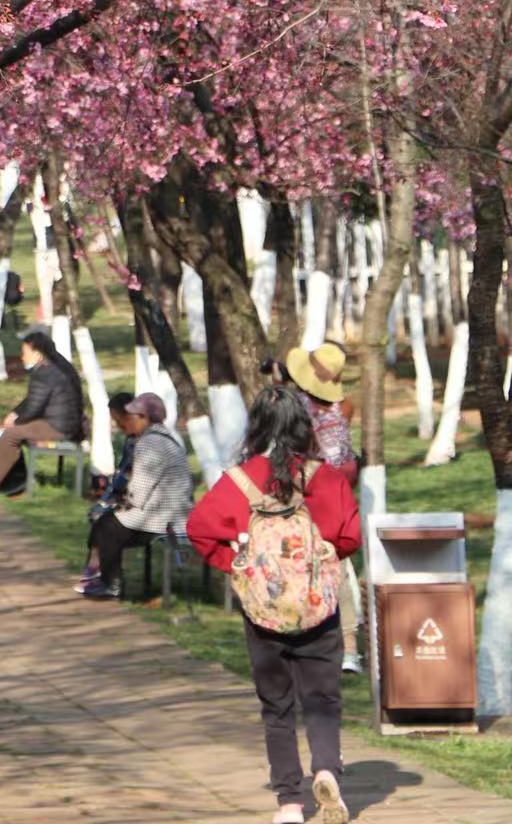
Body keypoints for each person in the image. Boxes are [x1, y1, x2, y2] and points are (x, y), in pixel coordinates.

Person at [187, 385, 361, 824]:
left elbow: (199, 529)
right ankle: (326, 769)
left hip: (263, 613)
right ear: (303, 428)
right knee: (322, 698)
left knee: (276, 706)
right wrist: (316, 565)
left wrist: (239, 564)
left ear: (258, 428)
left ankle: (289, 802)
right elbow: (349, 537)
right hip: (319, 608)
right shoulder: (326, 478)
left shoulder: (239, 481)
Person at [284, 343, 363, 675]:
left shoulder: (296, 407)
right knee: (338, 566)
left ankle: (302, 635)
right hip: (340, 487)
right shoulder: (343, 407)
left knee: (299, 560)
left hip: (312, 489)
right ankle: (350, 649)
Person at [78, 392, 193, 599]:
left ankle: (110, 583)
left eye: (132, 417)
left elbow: (138, 493)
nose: (128, 421)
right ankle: (100, 575)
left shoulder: (150, 444)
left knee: (108, 526)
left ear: (145, 418)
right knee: (107, 521)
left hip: (164, 519)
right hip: (172, 512)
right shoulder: (165, 437)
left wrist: (120, 503)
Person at [0, 327, 84, 492]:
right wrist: (15, 413)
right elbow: (33, 400)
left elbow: (34, 406)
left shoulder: (44, 373)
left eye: (25, 352)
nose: (22, 357)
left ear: (37, 354)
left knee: (12, 433)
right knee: (13, 432)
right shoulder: (57, 364)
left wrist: (16, 421)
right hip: (66, 422)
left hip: (60, 427)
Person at [75, 390, 136, 593]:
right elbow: (122, 476)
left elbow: (128, 479)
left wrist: (111, 500)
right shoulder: (130, 441)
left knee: (105, 519)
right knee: (99, 513)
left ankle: (106, 575)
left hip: (145, 507)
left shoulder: (143, 442)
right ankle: (99, 568)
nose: (116, 426)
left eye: (118, 420)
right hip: (130, 497)